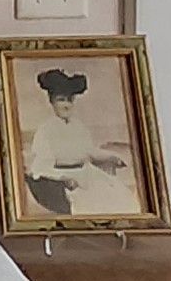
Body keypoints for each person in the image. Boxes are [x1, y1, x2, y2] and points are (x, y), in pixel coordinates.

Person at [23, 69, 139, 218]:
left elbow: (90, 151)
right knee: (90, 204)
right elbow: (41, 168)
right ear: (52, 102)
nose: (66, 105)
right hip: (65, 180)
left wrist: (112, 157)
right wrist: (63, 178)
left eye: (70, 100)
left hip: (87, 173)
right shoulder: (46, 130)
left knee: (121, 196)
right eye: (61, 99)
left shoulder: (78, 126)